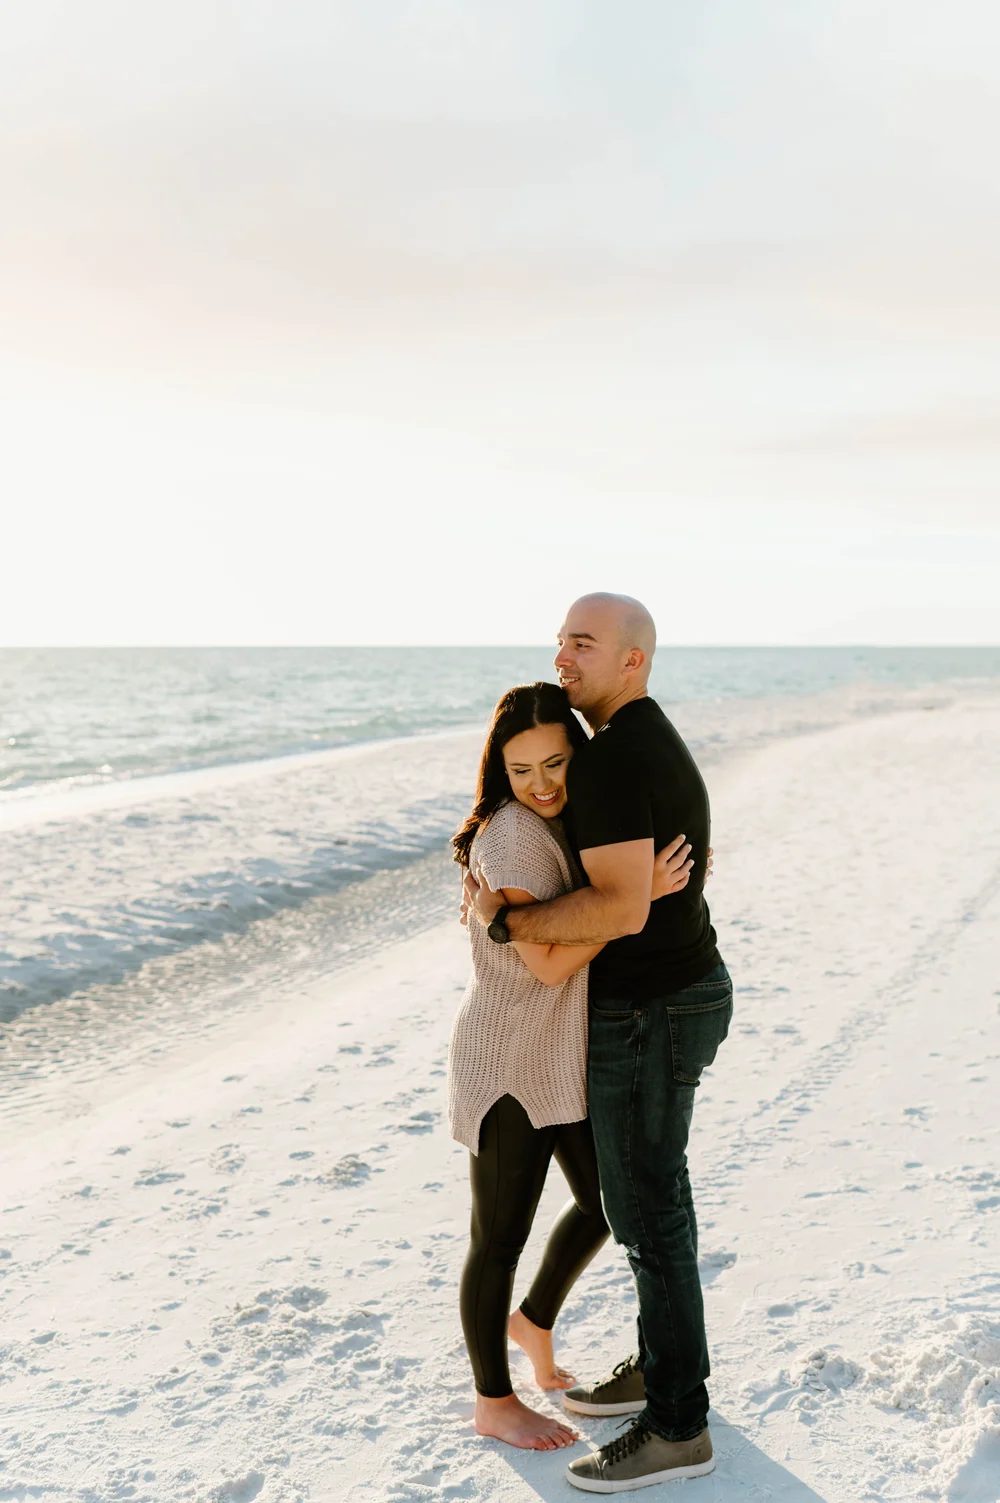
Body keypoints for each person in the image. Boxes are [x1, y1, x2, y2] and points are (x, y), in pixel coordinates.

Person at [464, 595, 731, 1492]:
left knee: (649, 1217)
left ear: (633, 661)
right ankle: (662, 1374)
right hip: (667, 996)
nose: (564, 654)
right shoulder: (639, 740)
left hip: (652, 1009)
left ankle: (676, 1425)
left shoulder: (615, 758)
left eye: (583, 642)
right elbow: (628, 897)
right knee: (650, 1206)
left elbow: (619, 905)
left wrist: (513, 923)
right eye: (561, 639)